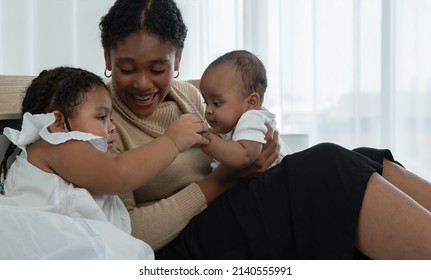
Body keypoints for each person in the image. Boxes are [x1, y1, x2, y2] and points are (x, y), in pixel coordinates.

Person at [100, 0, 431, 259]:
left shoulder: (188, 94)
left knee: (357, 160)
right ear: (107, 57)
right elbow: (127, 232)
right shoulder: (102, 121)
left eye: (158, 68)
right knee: (325, 166)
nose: (143, 83)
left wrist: (258, 133)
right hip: (180, 245)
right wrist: (222, 181)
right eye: (127, 69)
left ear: (177, 59)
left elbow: (240, 96)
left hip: (230, 210)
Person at [0, 66, 208, 259]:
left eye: (111, 118)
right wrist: (171, 141)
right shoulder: (56, 145)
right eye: (101, 117)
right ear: (59, 123)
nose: (111, 127)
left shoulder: (62, 150)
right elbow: (118, 174)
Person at [199, 50, 290, 169]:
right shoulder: (232, 124)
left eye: (216, 103)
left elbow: (244, 155)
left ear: (251, 103)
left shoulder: (251, 118)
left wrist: (206, 140)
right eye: (206, 103)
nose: (208, 110)